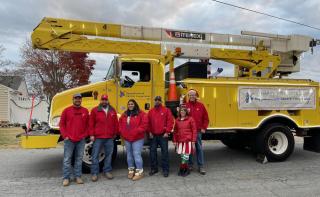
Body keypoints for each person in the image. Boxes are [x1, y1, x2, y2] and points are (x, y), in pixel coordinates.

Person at [59, 93, 89, 186]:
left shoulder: (85, 111)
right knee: (67, 159)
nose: (78, 100)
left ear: (81, 100)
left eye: (79, 98)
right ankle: (66, 178)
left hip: (81, 140)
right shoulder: (66, 111)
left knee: (79, 159)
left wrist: (85, 135)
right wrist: (65, 136)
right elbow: (62, 124)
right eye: (76, 98)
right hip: (69, 140)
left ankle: (78, 176)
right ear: (73, 100)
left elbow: (88, 125)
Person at [89, 94, 119, 182]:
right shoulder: (95, 110)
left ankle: (107, 171)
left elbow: (116, 123)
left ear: (107, 100)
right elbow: (91, 124)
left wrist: (115, 133)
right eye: (103, 100)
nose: (104, 101)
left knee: (109, 155)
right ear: (100, 100)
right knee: (95, 155)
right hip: (98, 137)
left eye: (105, 100)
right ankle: (94, 173)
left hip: (109, 137)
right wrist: (91, 134)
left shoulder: (112, 110)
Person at [119, 99, 148, 181]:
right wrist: (122, 132)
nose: (130, 105)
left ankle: (139, 172)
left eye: (132, 104)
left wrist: (136, 131)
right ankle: (131, 170)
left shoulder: (141, 113)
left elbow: (144, 125)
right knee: (129, 154)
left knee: (136, 154)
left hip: (137, 138)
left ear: (135, 104)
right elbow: (120, 124)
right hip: (127, 138)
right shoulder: (125, 114)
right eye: (129, 104)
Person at [148, 96, 174, 177]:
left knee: (165, 153)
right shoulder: (151, 111)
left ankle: (165, 170)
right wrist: (149, 132)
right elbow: (147, 122)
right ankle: (154, 169)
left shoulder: (166, 110)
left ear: (161, 101)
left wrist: (167, 132)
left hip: (163, 135)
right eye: (156, 100)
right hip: (153, 135)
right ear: (154, 101)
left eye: (159, 100)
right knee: (152, 153)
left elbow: (170, 121)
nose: (157, 101)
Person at [186, 89, 209, 175]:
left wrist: (204, 128)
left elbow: (206, 118)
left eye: (193, 95)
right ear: (188, 96)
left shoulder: (201, 106)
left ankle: (201, 166)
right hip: (188, 132)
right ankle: (190, 165)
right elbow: (181, 118)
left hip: (198, 131)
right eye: (190, 95)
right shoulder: (185, 106)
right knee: (190, 149)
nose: (192, 96)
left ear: (196, 96)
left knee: (199, 148)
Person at [173, 105, 197, 177]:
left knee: (185, 156)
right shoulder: (177, 120)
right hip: (180, 141)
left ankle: (182, 168)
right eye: (181, 110)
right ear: (179, 112)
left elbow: (194, 130)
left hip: (188, 141)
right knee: (182, 156)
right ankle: (185, 169)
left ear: (186, 112)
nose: (182, 112)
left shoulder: (190, 119)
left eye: (184, 110)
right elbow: (175, 131)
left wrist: (193, 141)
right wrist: (174, 141)